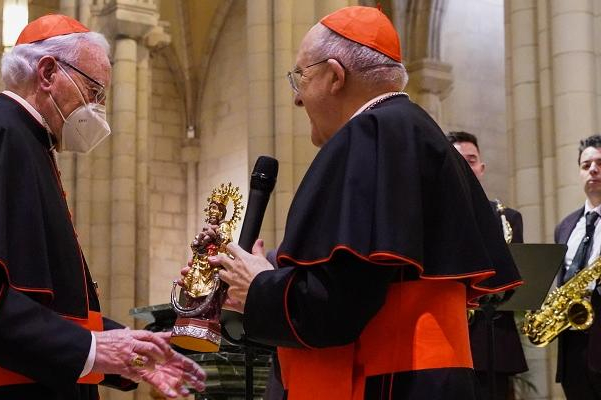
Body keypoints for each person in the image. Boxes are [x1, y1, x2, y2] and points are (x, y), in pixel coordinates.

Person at [187, 6, 522, 399]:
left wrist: (260, 285)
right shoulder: (418, 135)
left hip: (386, 385)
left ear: (334, 76)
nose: (296, 99)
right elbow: (370, 282)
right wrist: (258, 289)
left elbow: (336, 309)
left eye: (302, 77)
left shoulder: (370, 135)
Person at [0, 14, 205, 400]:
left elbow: (40, 302)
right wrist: (93, 349)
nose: (98, 109)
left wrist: (130, 348)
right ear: (48, 72)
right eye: (94, 91)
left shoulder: (19, 140)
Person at [446, 131, 528, 400]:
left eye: (471, 160)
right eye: (458, 159)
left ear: (482, 168)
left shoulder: (509, 217)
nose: (466, 166)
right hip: (449, 336)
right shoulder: (434, 216)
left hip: (495, 337)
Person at [553, 134, 601, 399]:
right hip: (573, 344)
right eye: (586, 165)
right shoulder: (565, 226)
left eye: (599, 163)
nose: (592, 169)